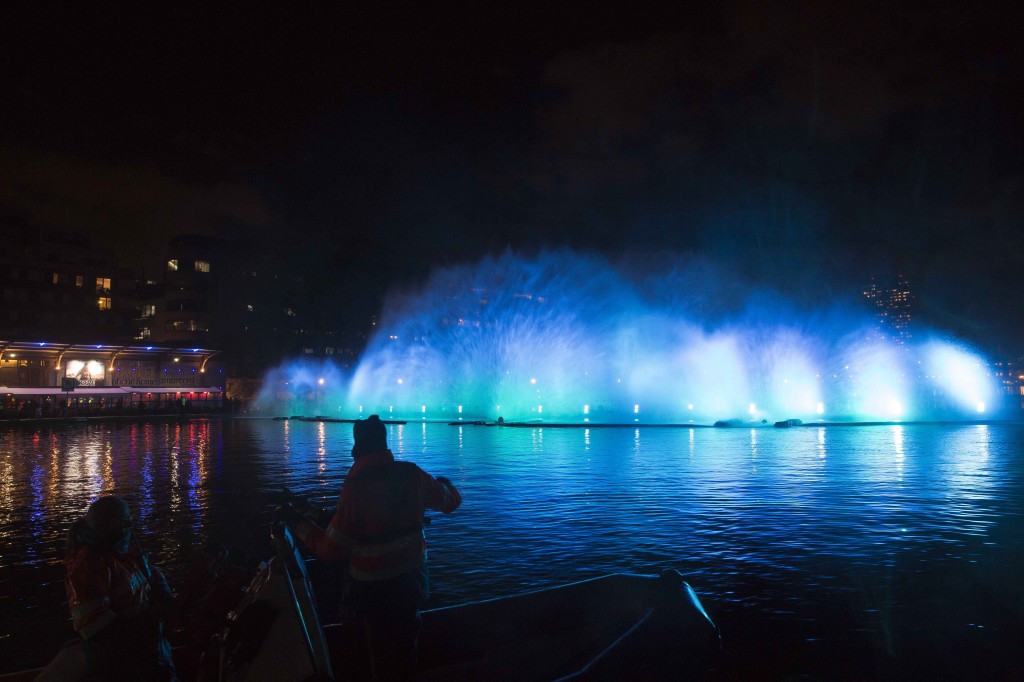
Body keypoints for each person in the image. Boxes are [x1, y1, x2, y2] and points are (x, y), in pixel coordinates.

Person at [286, 414, 462, 681]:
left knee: (376, 661)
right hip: (411, 585)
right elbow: (450, 502)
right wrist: (445, 484)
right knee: (404, 654)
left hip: (371, 596)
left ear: (357, 448)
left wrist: (299, 525)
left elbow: (331, 548)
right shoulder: (411, 474)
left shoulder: (357, 487)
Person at [64, 496, 177, 681]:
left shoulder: (123, 552)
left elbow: (145, 584)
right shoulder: (89, 564)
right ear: (109, 526)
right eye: (126, 522)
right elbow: (95, 630)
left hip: (148, 654)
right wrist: (146, 624)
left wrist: (161, 594)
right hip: (122, 666)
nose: (130, 527)